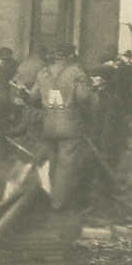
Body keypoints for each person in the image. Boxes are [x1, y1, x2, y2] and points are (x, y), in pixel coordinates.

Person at [33, 42, 94, 211]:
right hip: (69, 122)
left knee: (52, 162)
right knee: (66, 165)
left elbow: (33, 97)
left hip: (48, 123)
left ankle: (49, 197)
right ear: (69, 55)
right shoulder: (76, 71)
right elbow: (83, 98)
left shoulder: (42, 72)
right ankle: (59, 203)